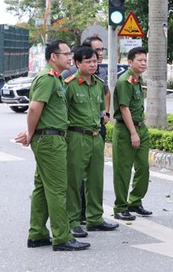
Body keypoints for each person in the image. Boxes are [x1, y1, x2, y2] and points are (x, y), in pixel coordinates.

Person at [14, 40, 90, 252]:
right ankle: (62, 237)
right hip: (50, 140)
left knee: (41, 188)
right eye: (66, 54)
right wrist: (30, 133)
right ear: (53, 57)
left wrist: (32, 133)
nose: (69, 57)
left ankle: (37, 233)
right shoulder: (47, 79)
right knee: (58, 189)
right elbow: (34, 109)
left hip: (50, 138)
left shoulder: (55, 78)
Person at [64, 46, 119, 238]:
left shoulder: (98, 83)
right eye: (88, 61)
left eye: (95, 61)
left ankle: (95, 218)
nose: (92, 65)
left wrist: (105, 115)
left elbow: (102, 106)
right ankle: (72, 221)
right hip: (76, 136)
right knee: (74, 180)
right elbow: (62, 111)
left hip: (96, 136)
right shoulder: (69, 84)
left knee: (96, 179)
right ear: (78, 63)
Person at [112, 46, 151, 221]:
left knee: (143, 167)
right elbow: (124, 108)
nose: (143, 63)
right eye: (140, 60)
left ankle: (135, 201)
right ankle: (120, 207)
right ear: (130, 62)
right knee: (123, 170)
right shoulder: (124, 81)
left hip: (141, 127)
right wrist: (133, 133)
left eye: (145, 60)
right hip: (126, 130)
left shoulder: (136, 80)